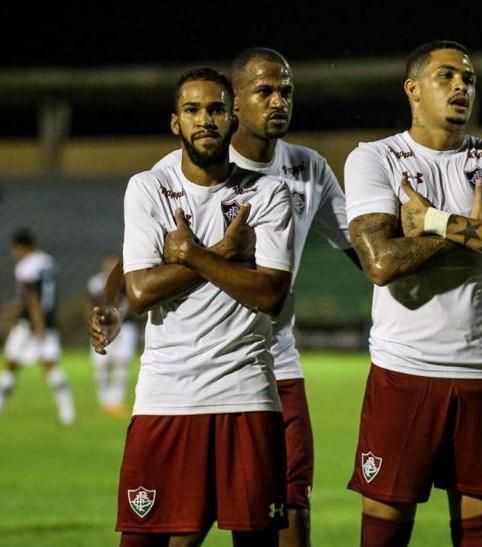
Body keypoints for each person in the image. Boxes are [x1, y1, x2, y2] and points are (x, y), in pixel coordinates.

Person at [94, 47, 357, 547]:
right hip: (178, 381)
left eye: (286, 91)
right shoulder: (167, 176)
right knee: (180, 529)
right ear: (238, 103)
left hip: (268, 369)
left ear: (228, 113)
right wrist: (114, 303)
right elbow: (137, 268)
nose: (278, 101)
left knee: (288, 511)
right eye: (265, 91)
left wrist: (438, 245)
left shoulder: (302, 173)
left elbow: (359, 254)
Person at [344, 40, 482, 547]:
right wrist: (476, 234)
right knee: (384, 534)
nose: (462, 86)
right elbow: (381, 262)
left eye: (470, 78)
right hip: (405, 371)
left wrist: (433, 223)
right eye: (447, 76)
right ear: (413, 89)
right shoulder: (375, 158)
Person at [116, 66, 295, 547]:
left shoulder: (269, 193)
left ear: (234, 118)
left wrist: (192, 253)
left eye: (216, 109)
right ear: (175, 122)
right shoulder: (148, 189)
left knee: (256, 540)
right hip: (166, 395)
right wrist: (223, 254)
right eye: (192, 110)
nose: (205, 120)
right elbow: (139, 292)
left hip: (247, 394)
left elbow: (271, 294)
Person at [0, 229, 75, 426]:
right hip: (48, 321)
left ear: (22, 246)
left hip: (31, 324)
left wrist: (37, 324)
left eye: (15, 249)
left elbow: (32, 298)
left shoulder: (26, 267)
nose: (14, 253)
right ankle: (67, 413)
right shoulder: (48, 261)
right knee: (51, 365)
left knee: (11, 364)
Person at [88, 255, 137, 416]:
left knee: (122, 364)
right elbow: (93, 305)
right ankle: (104, 401)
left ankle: (116, 401)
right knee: (101, 364)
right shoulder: (96, 282)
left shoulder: (129, 280)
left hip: (125, 326)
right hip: (103, 326)